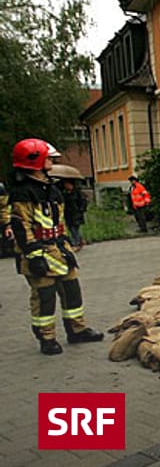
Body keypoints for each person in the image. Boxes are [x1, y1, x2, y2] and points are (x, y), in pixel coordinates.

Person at [8, 138, 103, 355]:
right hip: (38, 251)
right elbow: (21, 225)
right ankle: (47, 338)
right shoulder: (23, 192)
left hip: (59, 248)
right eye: (49, 157)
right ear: (36, 160)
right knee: (45, 297)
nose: (52, 160)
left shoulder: (52, 189)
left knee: (72, 291)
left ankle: (77, 330)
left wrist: (65, 242)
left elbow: (58, 220)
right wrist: (33, 254)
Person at [60, 177, 87, 249]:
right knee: (71, 228)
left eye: (67, 184)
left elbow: (83, 202)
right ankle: (79, 240)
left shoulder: (77, 193)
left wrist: (80, 210)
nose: (66, 186)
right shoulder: (65, 193)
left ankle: (77, 243)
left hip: (76, 214)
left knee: (74, 229)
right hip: (68, 215)